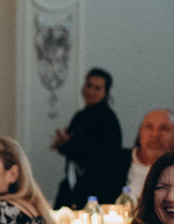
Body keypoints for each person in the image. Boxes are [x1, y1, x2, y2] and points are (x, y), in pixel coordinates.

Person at [52, 68, 122, 208]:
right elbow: (71, 146)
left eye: (97, 88)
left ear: (105, 93)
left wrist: (69, 144)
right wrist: (62, 144)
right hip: (74, 182)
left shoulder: (108, 119)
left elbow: (100, 156)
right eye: (89, 85)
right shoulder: (81, 115)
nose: (91, 91)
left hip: (96, 188)